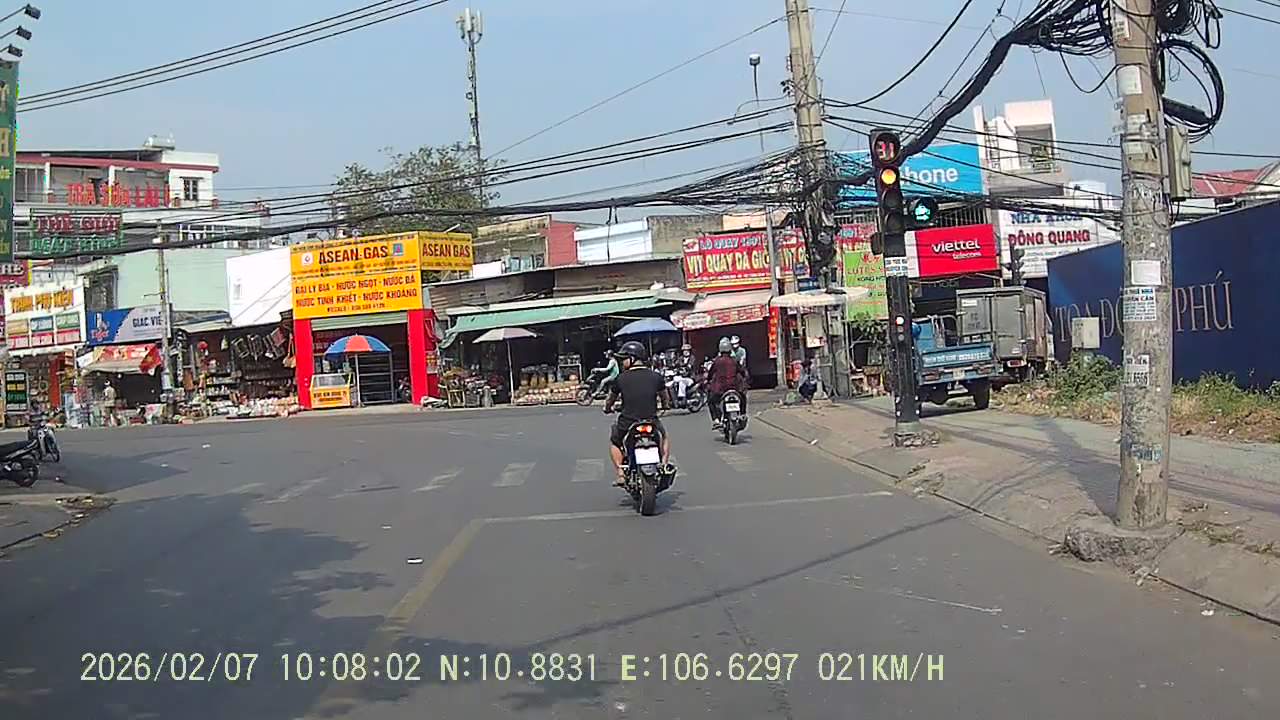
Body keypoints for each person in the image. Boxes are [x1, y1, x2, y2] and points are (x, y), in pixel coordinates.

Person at [603, 341, 671, 485]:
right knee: (663, 437)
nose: (622, 362)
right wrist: (665, 406)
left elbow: (610, 400)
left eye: (624, 359)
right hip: (651, 420)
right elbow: (665, 397)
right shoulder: (656, 376)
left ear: (632, 358)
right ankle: (664, 464)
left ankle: (621, 473)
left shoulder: (620, 378)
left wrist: (607, 408)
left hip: (628, 422)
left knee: (615, 441)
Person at [707, 338, 748, 429]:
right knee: (743, 397)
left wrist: (708, 380)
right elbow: (742, 371)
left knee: (711, 401)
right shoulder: (734, 361)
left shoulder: (717, 361)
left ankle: (716, 420)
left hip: (720, 389)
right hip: (734, 388)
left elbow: (710, 373)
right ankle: (743, 414)